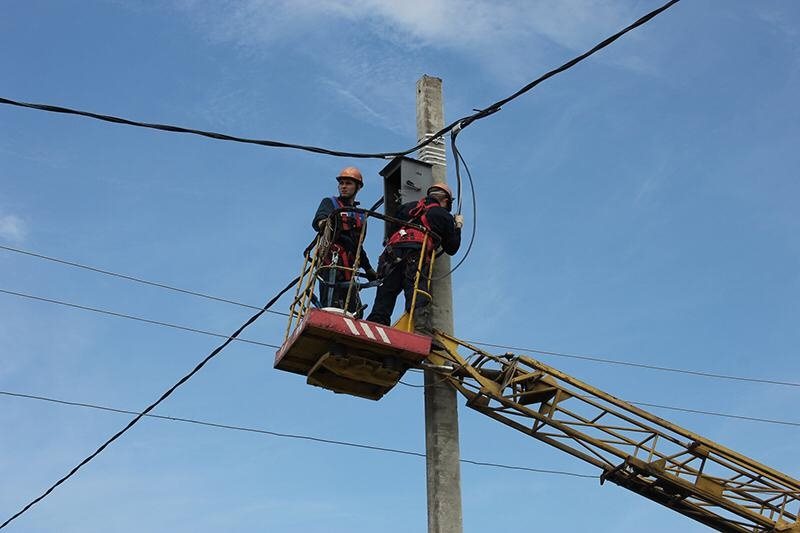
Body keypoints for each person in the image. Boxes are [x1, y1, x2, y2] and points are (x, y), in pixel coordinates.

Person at [366, 182, 463, 333]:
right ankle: (421, 328)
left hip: (392, 255)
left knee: (387, 291)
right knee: (416, 291)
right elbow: (452, 247)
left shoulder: (407, 207)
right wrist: (457, 227)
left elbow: (391, 232)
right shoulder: (443, 215)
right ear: (445, 200)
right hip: (416, 254)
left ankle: (376, 324)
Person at [312, 166, 377, 315]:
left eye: (348, 183)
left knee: (355, 311)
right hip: (331, 261)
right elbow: (319, 221)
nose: (343, 187)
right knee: (331, 304)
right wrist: (325, 223)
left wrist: (368, 269)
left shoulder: (360, 216)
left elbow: (358, 246)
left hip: (349, 265)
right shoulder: (330, 203)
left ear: (358, 187)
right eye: (341, 183)